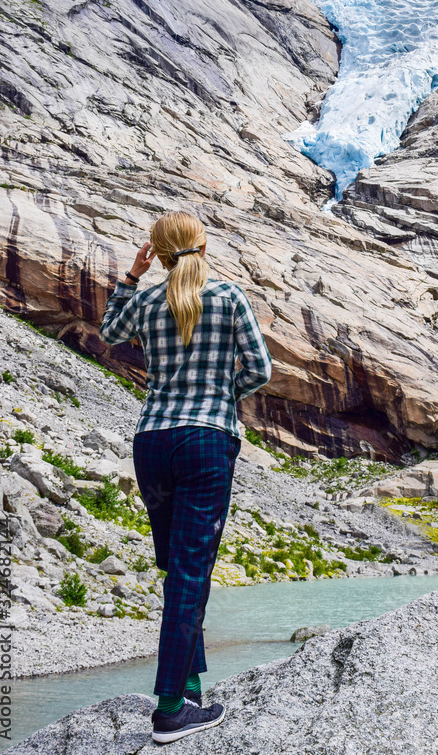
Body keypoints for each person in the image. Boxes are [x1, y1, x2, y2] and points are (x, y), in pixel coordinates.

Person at [99, 211, 271, 744]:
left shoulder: (147, 301)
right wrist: (222, 391)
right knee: (190, 574)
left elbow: (109, 333)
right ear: (204, 245)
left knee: (176, 569)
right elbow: (260, 369)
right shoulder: (230, 296)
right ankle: (170, 709)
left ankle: (190, 686)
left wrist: (131, 276)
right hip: (206, 440)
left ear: (158, 252)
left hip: (151, 442)